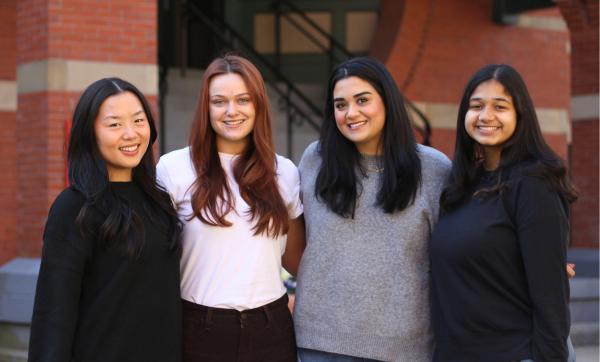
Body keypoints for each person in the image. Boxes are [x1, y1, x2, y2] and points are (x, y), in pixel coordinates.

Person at [293, 57, 451, 362]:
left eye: (362, 100)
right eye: (340, 104)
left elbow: (462, 245)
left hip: (403, 349)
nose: (351, 113)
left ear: (388, 101)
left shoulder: (433, 169)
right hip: (319, 344)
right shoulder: (316, 159)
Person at [156, 54, 306, 362]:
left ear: (257, 105)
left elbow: (299, 262)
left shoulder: (286, 172)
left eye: (242, 100)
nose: (231, 111)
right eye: (219, 101)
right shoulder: (173, 169)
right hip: (200, 330)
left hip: (272, 329)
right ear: (206, 107)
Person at [429, 64, 579, 362]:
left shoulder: (534, 185)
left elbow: (551, 301)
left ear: (520, 115)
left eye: (500, 106)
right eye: (476, 106)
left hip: (514, 354)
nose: (486, 116)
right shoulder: (462, 186)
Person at [28, 78, 183, 361]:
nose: (130, 134)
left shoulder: (159, 200)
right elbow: (53, 315)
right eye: (114, 124)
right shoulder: (75, 206)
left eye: (138, 120)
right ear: (90, 134)